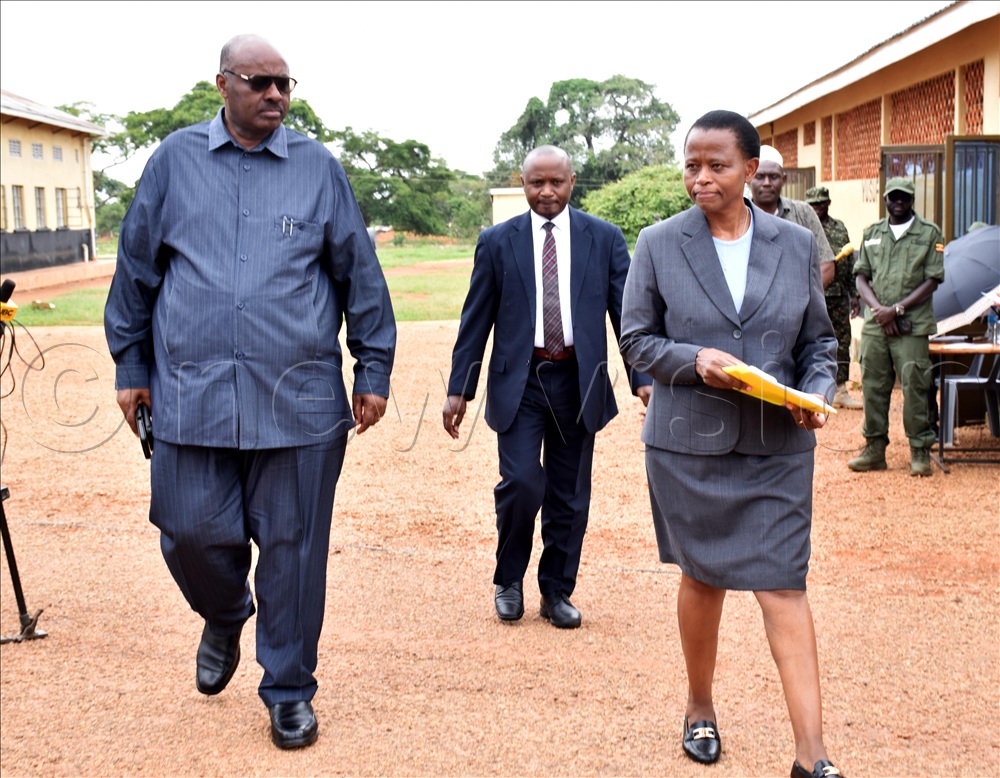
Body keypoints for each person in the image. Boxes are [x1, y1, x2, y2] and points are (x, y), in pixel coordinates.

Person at [103, 34, 396, 750]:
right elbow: (137, 269)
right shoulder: (174, 162)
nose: (276, 95)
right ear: (223, 84)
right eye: (261, 82)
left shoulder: (317, 168)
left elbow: (359, 270)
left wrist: (374, 367)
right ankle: (227, 608)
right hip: (190, 396)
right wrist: (130, 364)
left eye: (285, 85)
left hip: (296, 404)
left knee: (294, 552)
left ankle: (289, 689)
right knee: (189, 532)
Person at [620, 110, 843, 778]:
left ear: (751, 170)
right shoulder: (658, 243)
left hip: (778, 446)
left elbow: (820, 343)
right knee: (703, 579)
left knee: (784, 588)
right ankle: (700, 706)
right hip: (690, 448)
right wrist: (695, 361)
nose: (701, 177)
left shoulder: (795, 244)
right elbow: (636, 340)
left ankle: (813, 757)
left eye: (717, 164)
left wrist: (819, 391)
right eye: (692, 164)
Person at [442, 145, 651, 630]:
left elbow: (626, 316)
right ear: (523, 182)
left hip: (579, 380)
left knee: (570, 494)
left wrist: (642, 379)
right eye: (537, 183)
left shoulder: (603, 238)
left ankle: (556, 590)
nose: (547, 192)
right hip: (522, 381)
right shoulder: (497, 241)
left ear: (572, 182)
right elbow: (476, 321)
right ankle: (508, 579)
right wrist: (460, 388)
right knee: (521, 483)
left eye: (556, 182)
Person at [848, 176, 943, 477]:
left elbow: (932, 280)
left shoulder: (929, 233)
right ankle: (874, 449)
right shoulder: (873, 233)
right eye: (893, 197)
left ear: (912, 199)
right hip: (877, 324)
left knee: (916, 385)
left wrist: (897, 310)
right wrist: (879, 311)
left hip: (911, 324)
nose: (898, 202)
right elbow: (861, 276)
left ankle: (920, 450)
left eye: (904, 197)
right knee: (873, 385)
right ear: (886, 199)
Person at [806, 186, 863, 409]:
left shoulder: (840, 228)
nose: (817, 207)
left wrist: (854, 294)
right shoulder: (802, 225)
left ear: (828, 203)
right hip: (812, 295)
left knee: (841, 342)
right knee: (809, 342)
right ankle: (811, 390)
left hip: (837, 297)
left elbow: (849, 264)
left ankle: (839, 390)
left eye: (821, 203)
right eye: (813, 204)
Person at [751, 145, 836, 290]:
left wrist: (800, 300)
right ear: (748, 178)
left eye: (773, 177)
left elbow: (826, 266)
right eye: (759, 176)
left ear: (784, 179)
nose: (766, 183)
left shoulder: (803, 213)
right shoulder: (737, 217)